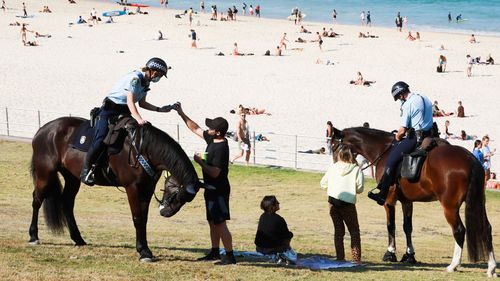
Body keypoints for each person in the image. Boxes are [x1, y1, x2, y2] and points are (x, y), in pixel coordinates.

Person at [80, 58, 173, 185]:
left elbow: (142, 103)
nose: (159, 78)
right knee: (100, 138)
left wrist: (159, 109)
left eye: (161, 76)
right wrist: (139, 119)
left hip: (124, 112)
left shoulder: (146, 82)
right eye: (159, 75)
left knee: (134, 134)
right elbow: (130, 101)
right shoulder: (134, 79)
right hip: (109, 111)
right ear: (152, 70)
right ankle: (85, 172)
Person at [174, 103, 236, 265]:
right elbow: (195, 128)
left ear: (218, 132)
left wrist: (200, 162)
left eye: (211, 128)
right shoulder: (213, 138)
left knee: (220, 222)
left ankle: (230, 256)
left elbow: (216, 172)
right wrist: (181, 113)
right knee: (212, 221)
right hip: (210, 188)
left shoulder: (222, 148)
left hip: (219, 190)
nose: (207, 129)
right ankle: (215, 252)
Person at [367, 81, 433, 206]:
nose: (399, 100)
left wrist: (397, 137)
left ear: (402, 94)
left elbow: (402, 130)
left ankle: (382, 194)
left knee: (391, 160)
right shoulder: (424, 97)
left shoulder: (408, 104)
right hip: (431, 135)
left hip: (416, 138)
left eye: (398, 98)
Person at [320, 145, 364, 264]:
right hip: (348, 204)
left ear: (339, 155)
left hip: (333, 202)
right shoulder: (356, 169)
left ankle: (340, 257)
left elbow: (323, 183)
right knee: (354, 231)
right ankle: (356, 259)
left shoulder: (333, 167)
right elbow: (360, 189)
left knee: (339, 231)